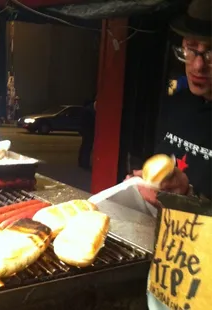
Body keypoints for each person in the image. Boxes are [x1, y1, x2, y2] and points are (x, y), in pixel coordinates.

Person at [124, 0, 211, 308]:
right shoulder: (176, 106)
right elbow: (165, 173)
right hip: (168, 269)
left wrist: (190, 194)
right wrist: (143, 188)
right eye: (191, 49)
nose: (199, 65)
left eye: (211, 53)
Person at [78, 100, 96, 170]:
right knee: (87, 147)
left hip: (86, 130)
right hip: (88, 131)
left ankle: (82, 162)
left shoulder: (87, 110)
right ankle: (84, 163)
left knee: (85, 146)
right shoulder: (89, 111)